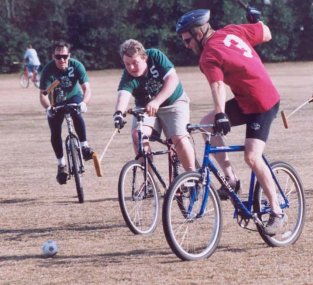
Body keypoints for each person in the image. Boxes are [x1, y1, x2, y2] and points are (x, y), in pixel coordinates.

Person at [176, 9, 285, 235]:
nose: (186, 45)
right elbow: (266, 33)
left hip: (263, 104)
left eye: (187, 40)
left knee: (252, 156)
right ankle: (231, 179)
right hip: (246, 101)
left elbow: (217, 86)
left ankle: (277, 213)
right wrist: (256, 20)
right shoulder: (233, 31)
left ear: (198, 32)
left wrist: (220, 113)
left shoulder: (208, 56)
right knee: (205, 125)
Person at [113, 39, 196, 173]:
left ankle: (192, 178)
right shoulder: (128, 75)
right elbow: (123, 94)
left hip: (173, 103)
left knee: (178, 137)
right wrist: (118, 113)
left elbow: (172, 79)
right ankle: (149, 181)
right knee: (138, 135)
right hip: (147, 109)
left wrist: (157, 101)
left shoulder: (155, 56)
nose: (131, 68)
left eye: (135, 63)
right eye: (127, 64)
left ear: (144, 58)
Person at [39, 40, 94, 185]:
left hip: (73, 96)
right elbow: (43, 94)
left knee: (76, 112)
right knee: (55, 132)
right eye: (58, 57)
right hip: (55, 101)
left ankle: (84, 146)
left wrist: (84, 103)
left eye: (64, 56)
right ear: (53, 57)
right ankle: (61, 164)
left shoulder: (76, 65)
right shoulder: (48, 70)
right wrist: (48, 107)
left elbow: (87, 89)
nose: (61, 60)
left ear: (69, 55)